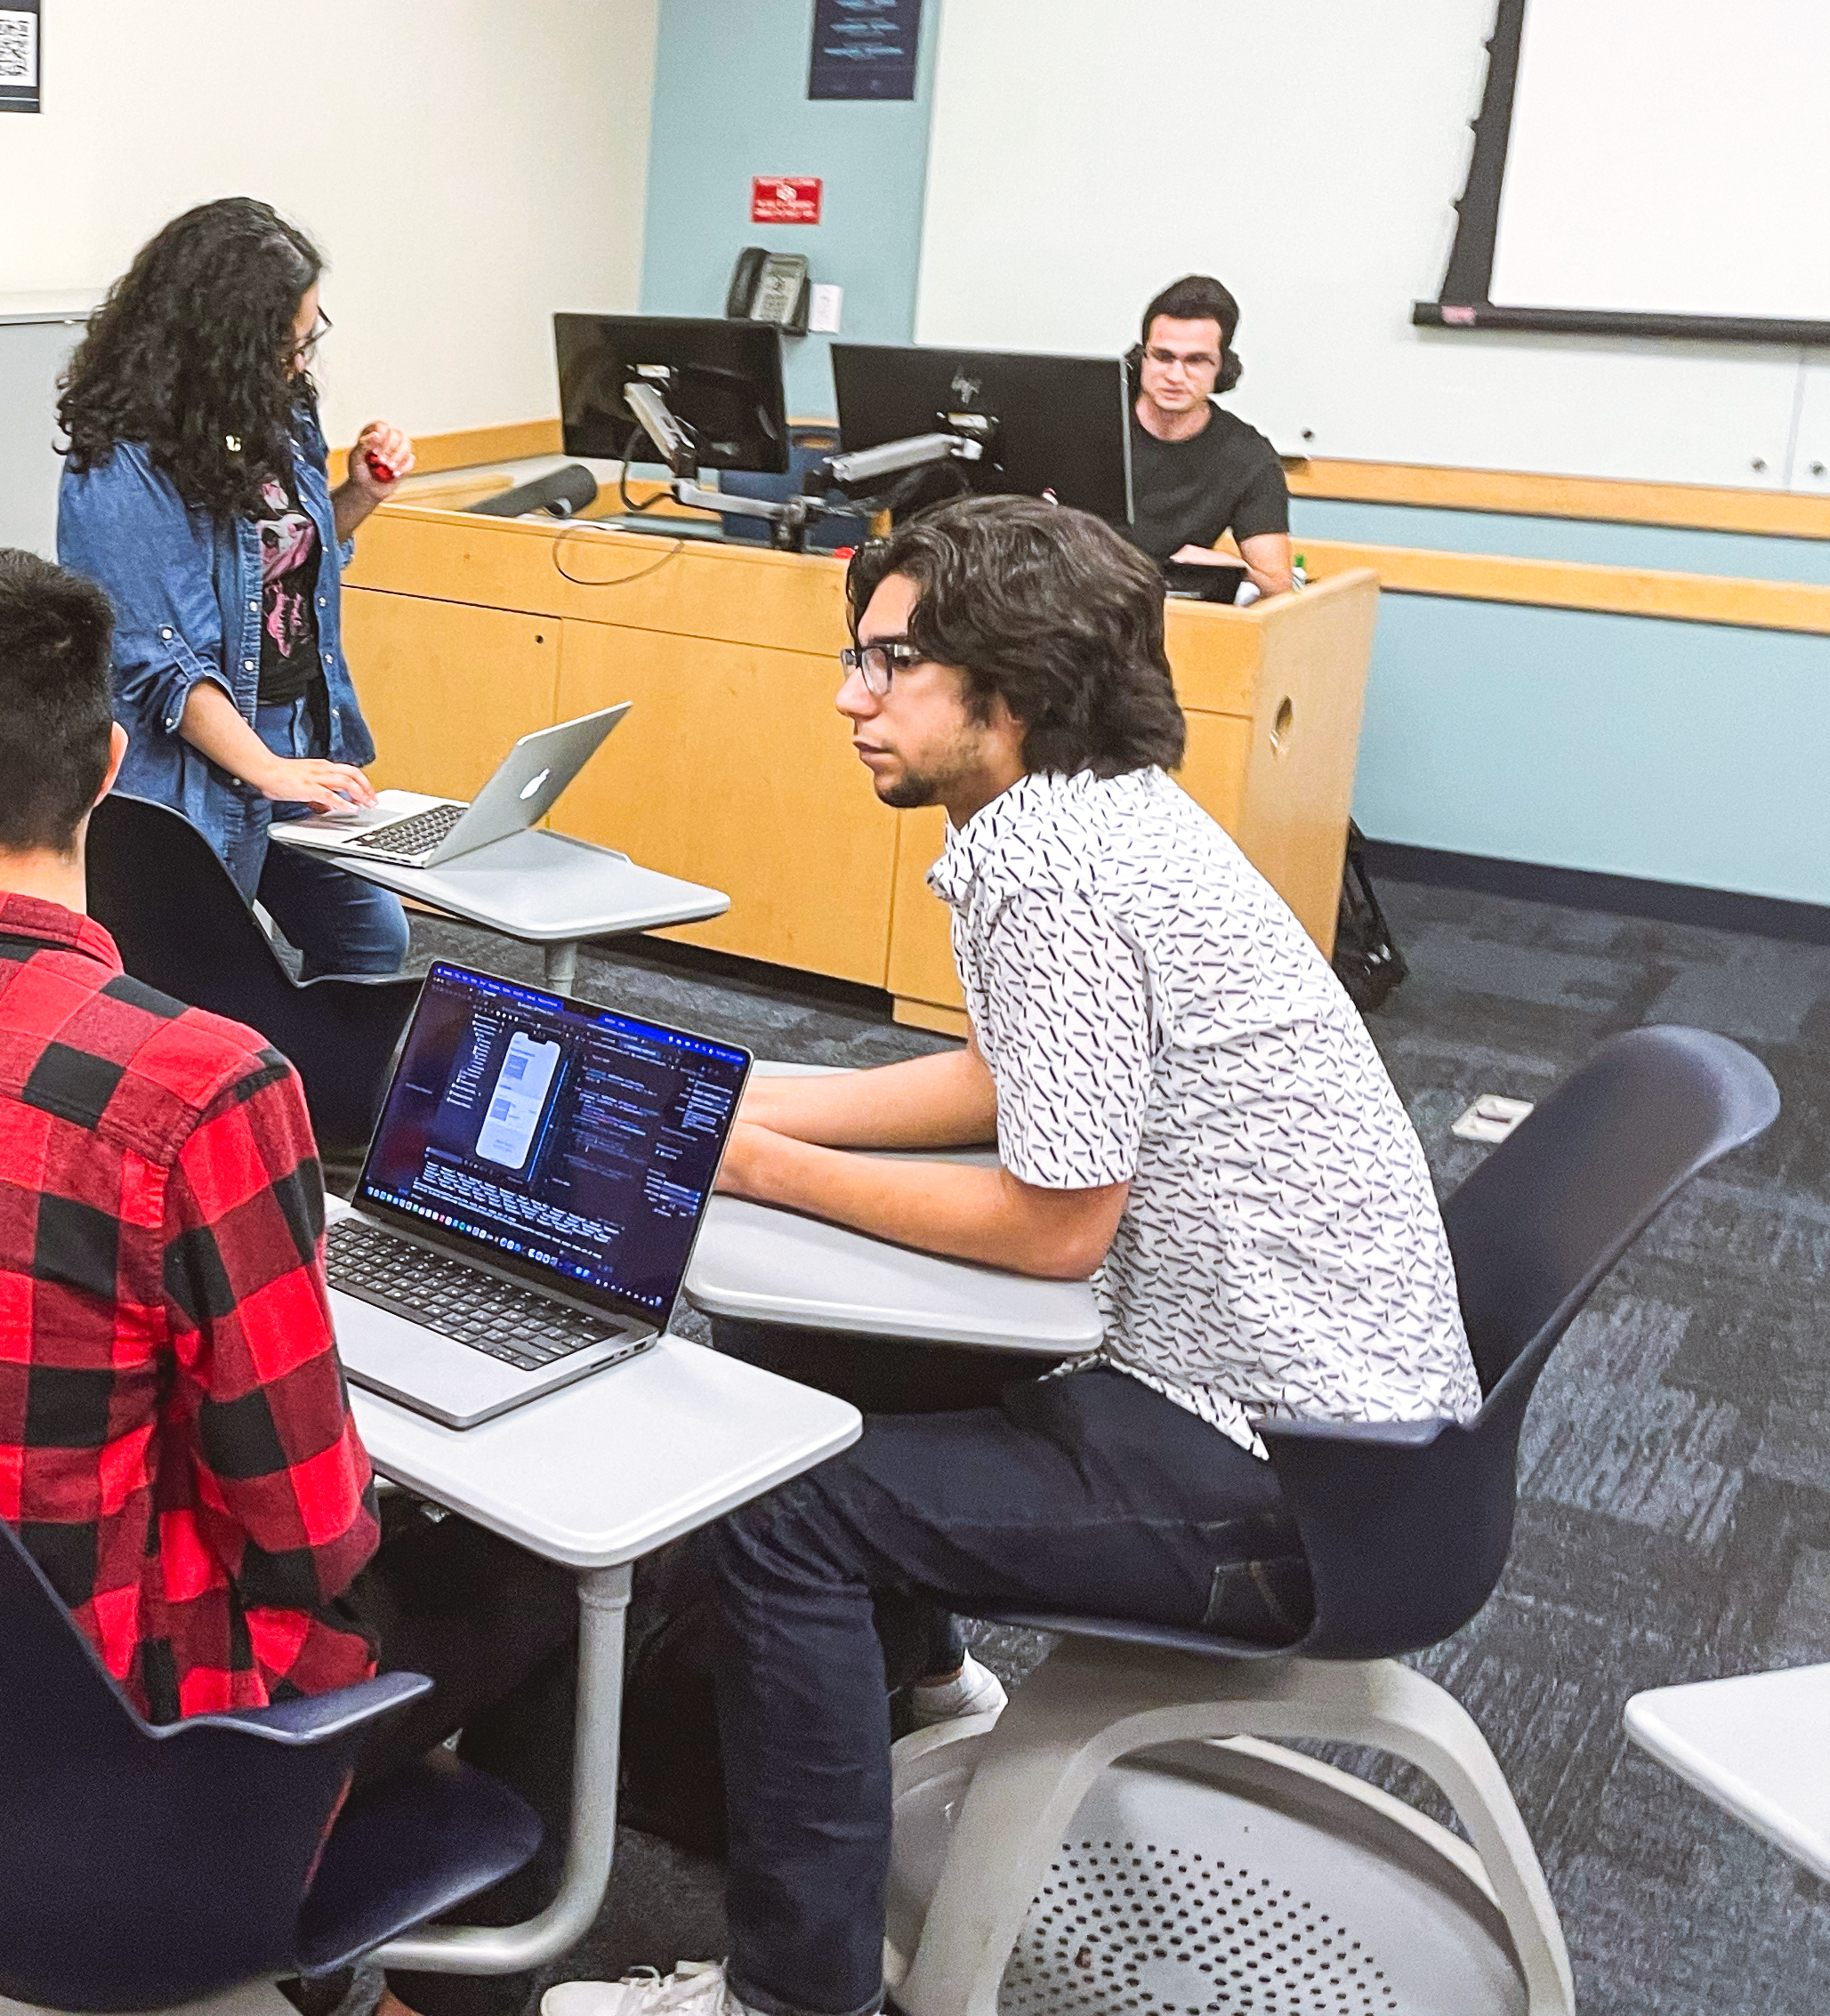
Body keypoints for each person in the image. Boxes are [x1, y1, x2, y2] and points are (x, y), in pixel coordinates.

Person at [544, 498, 1479, 2016]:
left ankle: (788, 1992)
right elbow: (1009, 1081)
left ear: (1014, 680)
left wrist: (761, 1157)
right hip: (1334, 1418)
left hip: (1294, 1482)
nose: (849, 695)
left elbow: (1056, 1219)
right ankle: (916, 1704)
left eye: (889, 662)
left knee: (788, 1511)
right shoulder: (1093, 811)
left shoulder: (1043, 860)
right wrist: (735, 1099)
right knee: (819, 1360)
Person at [0, 548, 584, 2016]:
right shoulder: (205, 1086)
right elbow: (309, 1527)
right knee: (546, 1562)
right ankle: (430, 1986)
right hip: (128, 1753)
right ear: (110, 762)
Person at [55, 196, 419, 978]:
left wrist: (356, 496)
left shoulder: (275, 412)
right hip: (186, 765)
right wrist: (266, 770)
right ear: (222, 342)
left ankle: (317, 1096)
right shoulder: (121, 459)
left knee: (369, 941)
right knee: (198, 981)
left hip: (293, 734)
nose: (300, 363)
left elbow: (285, 573)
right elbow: (158, 660)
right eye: (286, 344)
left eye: (308, 338)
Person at [1121, 272, 1294, 597]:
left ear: (1223, 370)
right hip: (1071, 607)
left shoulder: (1248, 456)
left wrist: (1234, 571)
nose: (1175, 375)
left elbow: (1278, 586)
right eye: (1163, 356)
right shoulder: (1091, 419)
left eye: (1196, 361)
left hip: (1172, 614)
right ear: (1140, 358)